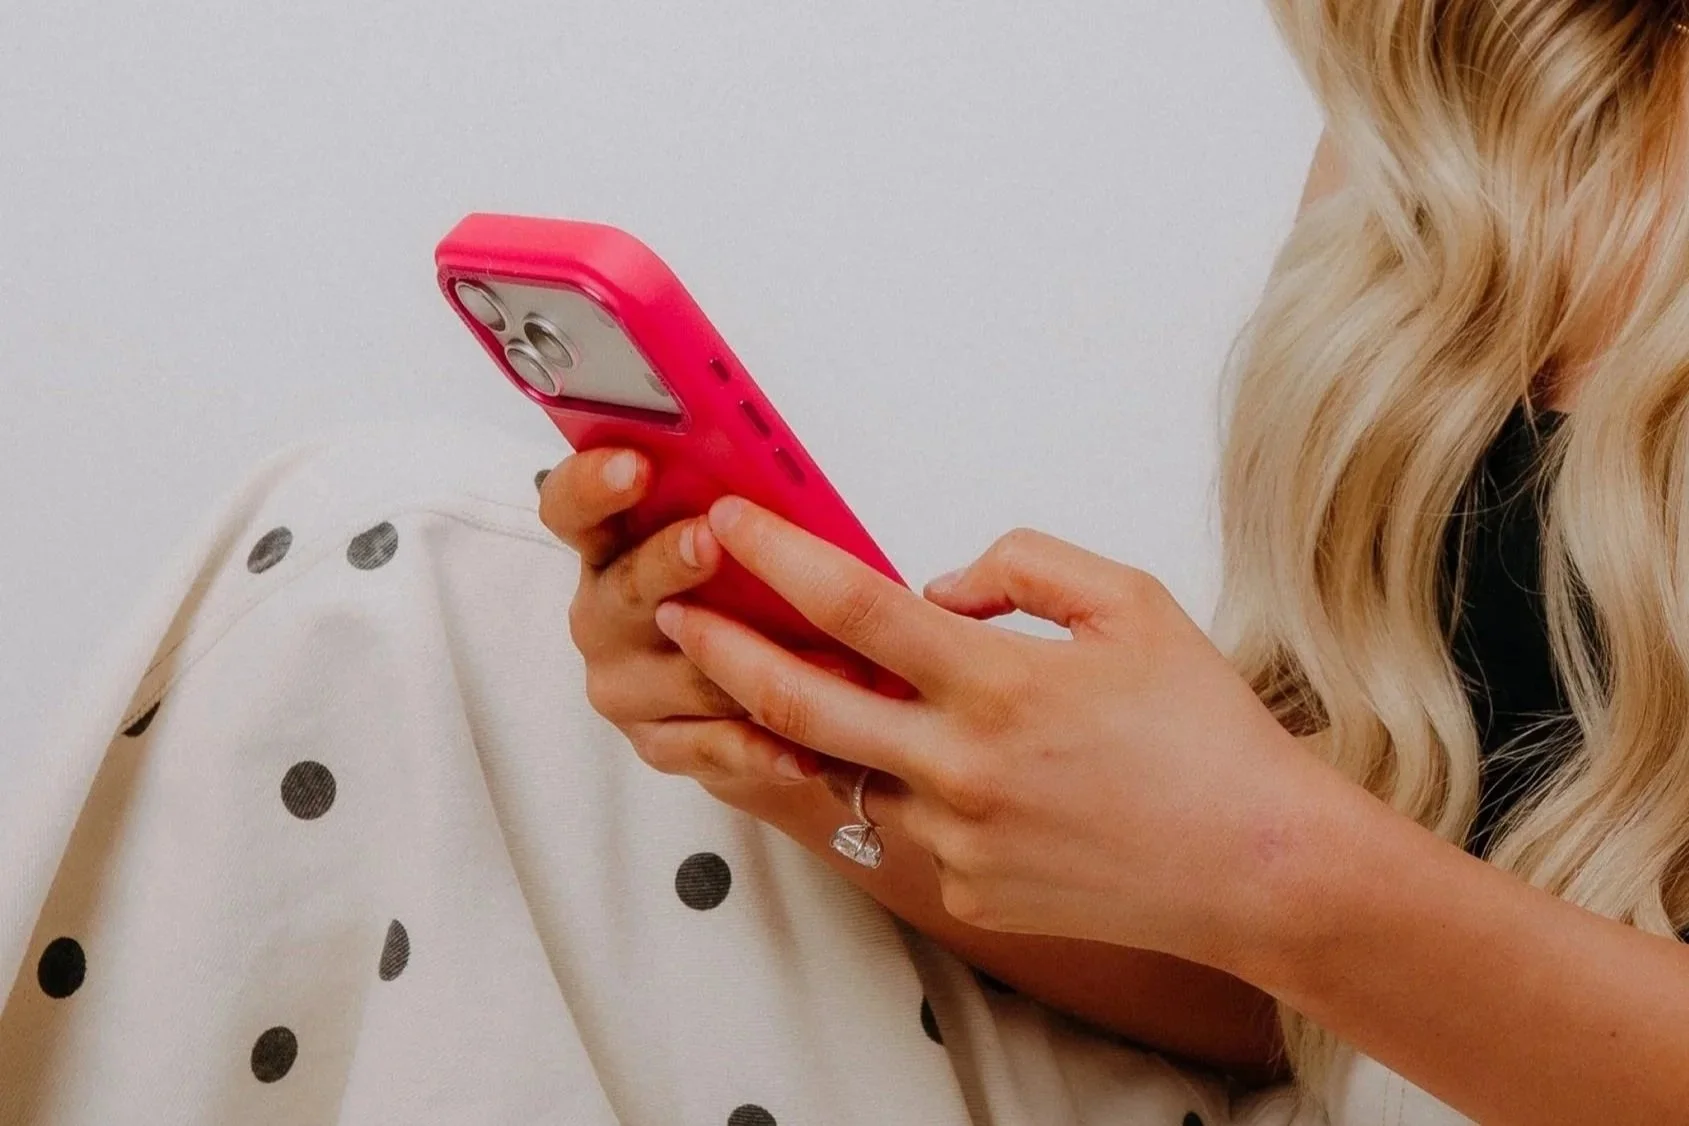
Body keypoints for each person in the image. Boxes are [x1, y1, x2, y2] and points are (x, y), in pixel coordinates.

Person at [6, 5, 1689, 1124]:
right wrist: (834, 754)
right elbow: (1293, 1011)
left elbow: (1310, 914)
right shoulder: (1436, 155)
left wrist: (1273, 858)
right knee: (398, 576)